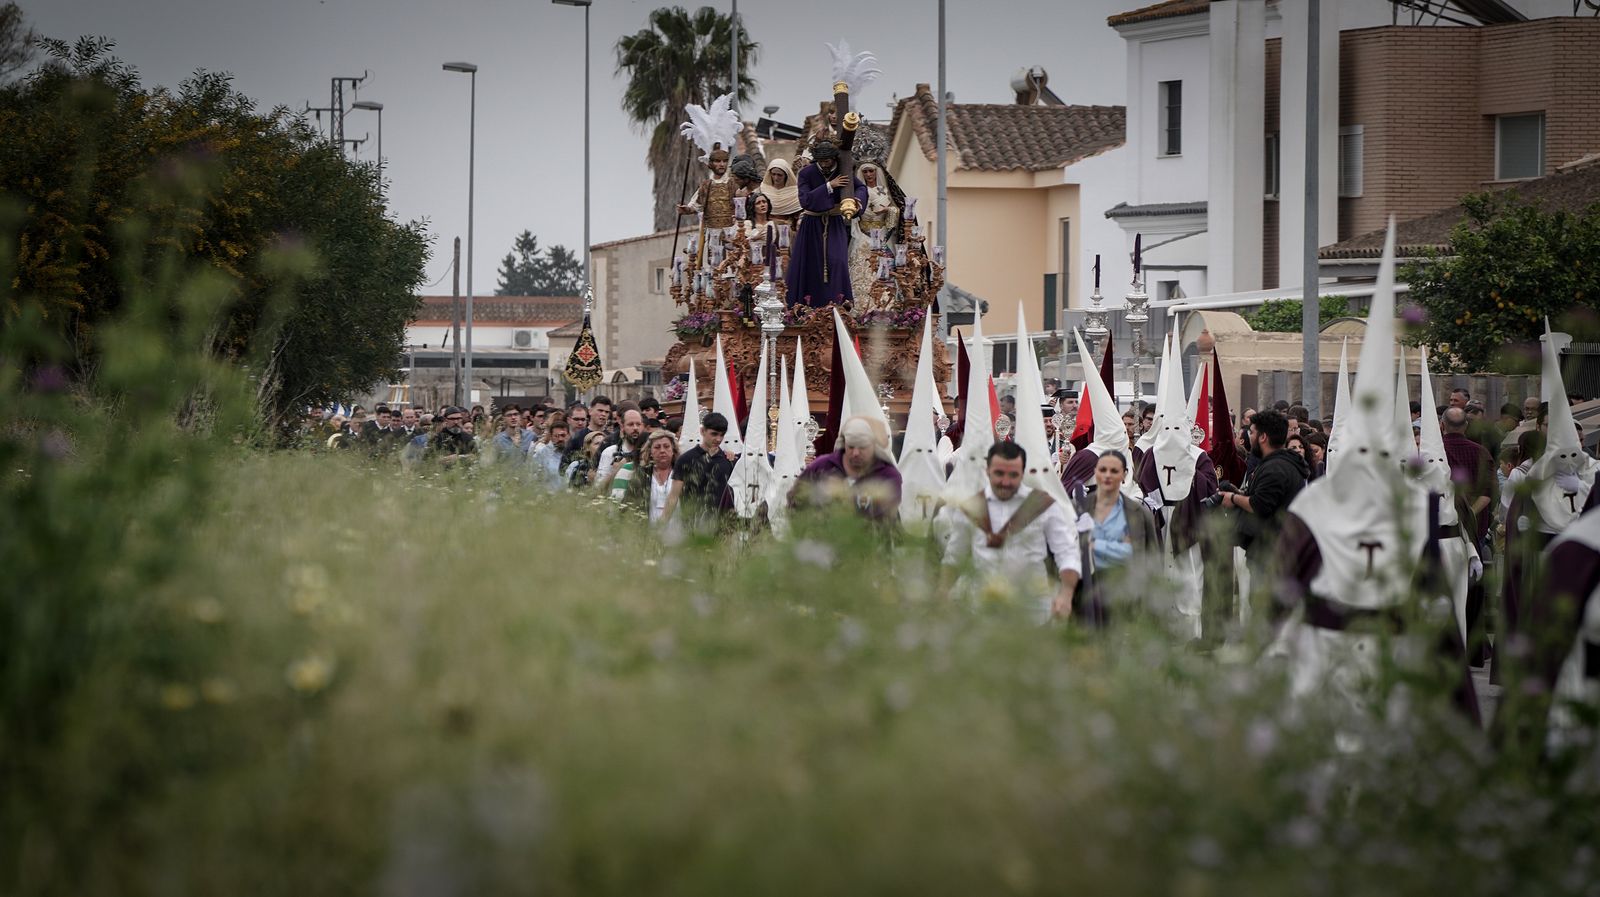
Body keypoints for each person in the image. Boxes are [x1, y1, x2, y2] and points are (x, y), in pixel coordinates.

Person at [939, 441, 1083, 626]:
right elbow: (954, 556)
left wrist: (1066, 594)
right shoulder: (972, 508)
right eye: (999, 473)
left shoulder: (1044, 505)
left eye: (1013, 475)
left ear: (1023, 473)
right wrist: (943, 594)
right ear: (987, 471)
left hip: (1032, 614)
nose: (1006, 482)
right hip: (981, 612)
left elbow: (1067, 552)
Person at [1073, 450, 1157, 625]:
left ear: (1124, 475)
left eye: (1114, 471)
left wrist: (1094, 545)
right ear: (1095, 472)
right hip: (1086, 593)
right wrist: (1119, 548)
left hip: (1124, 592)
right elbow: (1071, 550)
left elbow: (1147, 557)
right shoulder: (1079, 509)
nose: (1107, 475)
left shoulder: (1138, 513)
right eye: (1102, 470)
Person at [785, 139, 867, 308]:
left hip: (835, 223)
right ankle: (807, 307)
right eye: (821, 161)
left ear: (834, 158)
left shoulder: (843, 171)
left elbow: (861, 188)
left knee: (838, 261)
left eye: (827, 161)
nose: (824, 164)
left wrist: (857, 201)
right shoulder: (806, 173)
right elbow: (805, 200)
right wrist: (829, 186)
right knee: (810, 264)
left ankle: (837, 303)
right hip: (812, 225)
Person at [791, 415, 903, 524]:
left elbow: (886, 519)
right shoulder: (821, 466)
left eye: (862, 447)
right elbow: (796, 500)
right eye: (851, 447)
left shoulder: (888, 475)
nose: (855, 453)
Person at [662, 412, 736, 532]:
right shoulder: (686, 459)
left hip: (723, 528)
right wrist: (661, 524)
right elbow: (673, 496)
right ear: (702, 431)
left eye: (722, 435)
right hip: (692, 526)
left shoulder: (729, 460)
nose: (718, 439)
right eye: (714, 434)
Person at [848, 161, 904, 304]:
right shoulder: (859, 193)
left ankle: (886, 302)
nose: (868, 174)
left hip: (883, 236)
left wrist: (888, 210)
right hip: (863, 235)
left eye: (871, 171)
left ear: (876, 172)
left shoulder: (885, 191)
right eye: (865, 172)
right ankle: (861, 302)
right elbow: (853, 213)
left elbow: (897, 210)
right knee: (862, 269)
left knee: (885, 269)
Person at [622, 429, 678, 524]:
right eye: (657, 447)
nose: (662, 450)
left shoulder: (682, 473)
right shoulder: (642, 474)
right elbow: (628, 505)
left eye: (666, 446)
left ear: (673, 450)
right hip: (649, 530)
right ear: (650, 452)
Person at [676, 141, 735, 230]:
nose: (722, 164)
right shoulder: (706, 186)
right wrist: (686, 210)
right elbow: (695, 206)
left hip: (731, 231)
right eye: (717, 161)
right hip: (711, 232)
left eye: (725, 161)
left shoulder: (734, 183)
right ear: (710, 163)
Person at [596, 408, 648, 492]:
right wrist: (616, 470)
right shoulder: (610, 452)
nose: (635, 428)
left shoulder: (650, 451)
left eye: (638, 424)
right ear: (622, 427)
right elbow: (598, 488)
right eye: (630, 424)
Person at [527, 412, 570, 489]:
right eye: (556, 436)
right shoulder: (542, 453)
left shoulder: (573, 453)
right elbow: (533, 478)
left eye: (563, 435)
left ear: (568, 435)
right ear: (551, 436)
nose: (560, 439)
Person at [760, 158, 802, 224]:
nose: (776, 178)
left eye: (779, 175)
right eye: (773, 174)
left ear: (786, 175)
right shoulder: (763, 189)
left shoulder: (795, 192)